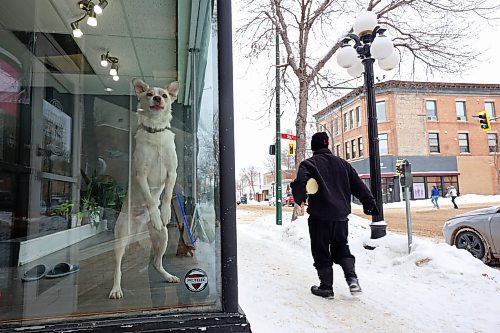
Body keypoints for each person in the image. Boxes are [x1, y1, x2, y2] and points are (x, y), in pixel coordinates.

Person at [290, 132, 378, 299]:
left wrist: (299, 197)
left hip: (319, 217)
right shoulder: (343, 164)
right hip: (340, 217)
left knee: (321, 249)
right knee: (341, 247)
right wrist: (369, 203)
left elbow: (301, 183)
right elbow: (359, 186)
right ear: (328, 144)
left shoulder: (309, 164)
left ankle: (326, 287)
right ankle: (352, 279)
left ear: (313, 146)